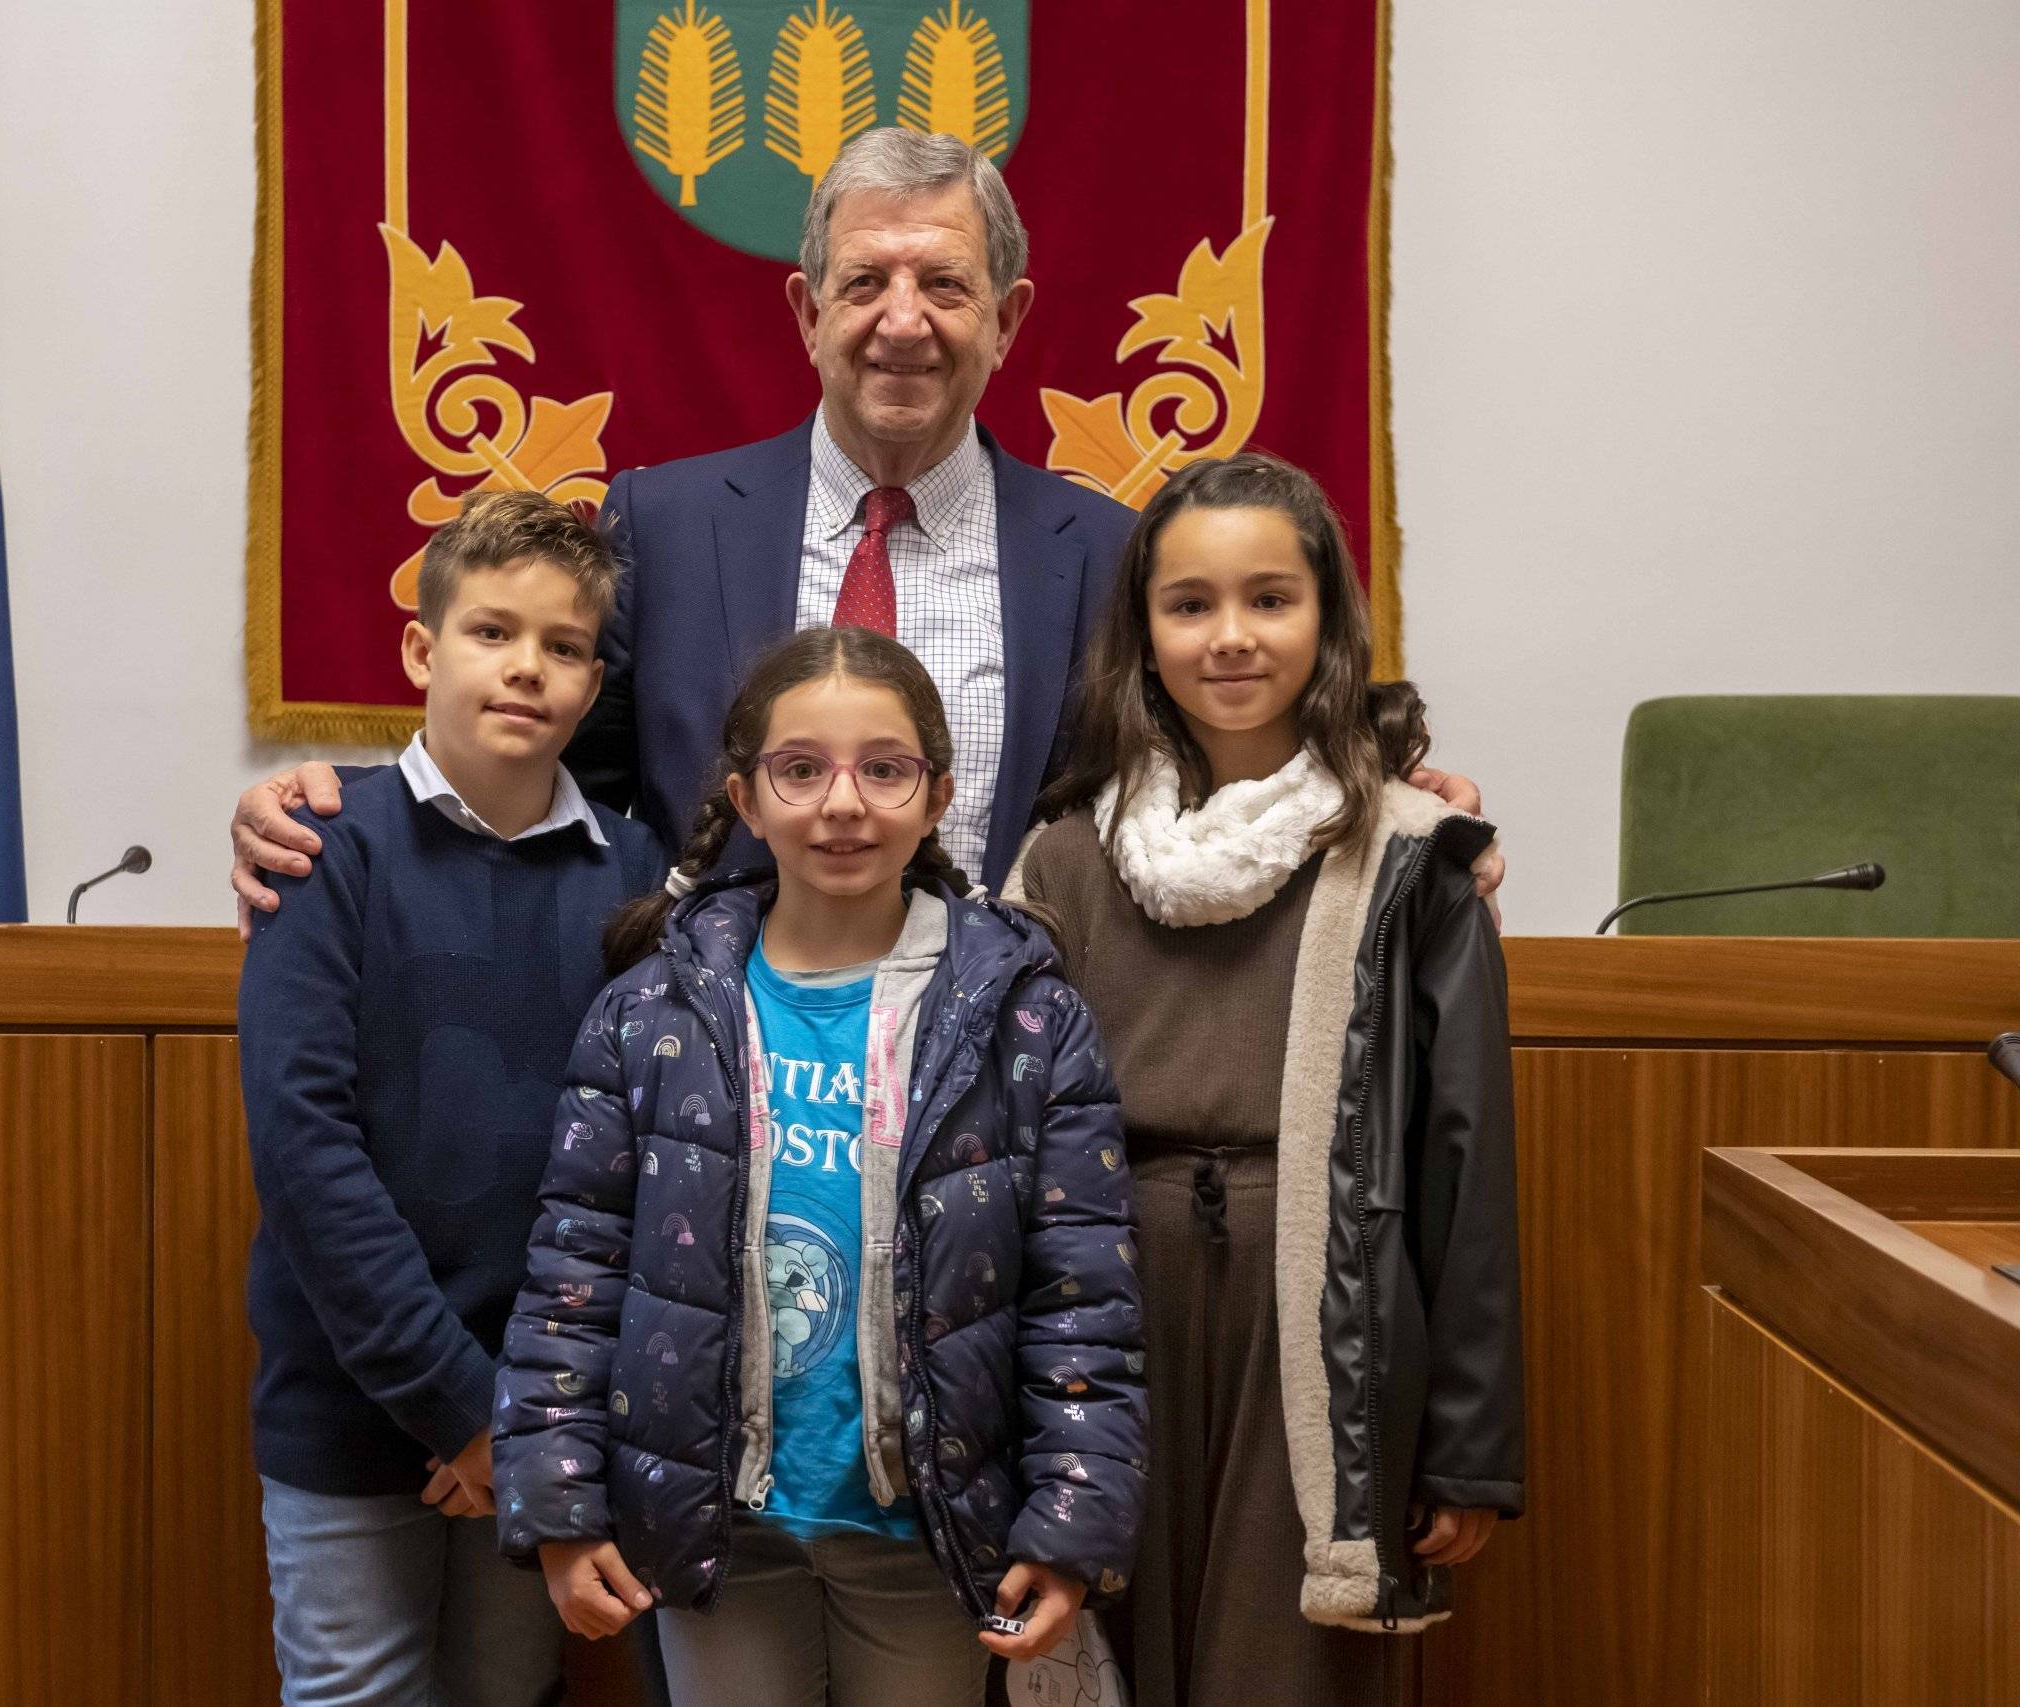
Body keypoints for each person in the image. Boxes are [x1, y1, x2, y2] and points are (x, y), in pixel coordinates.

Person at [225, 129, 1504, 921]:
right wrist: (347, 812)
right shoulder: (660, 526)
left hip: (1009, 1084)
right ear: (805, 312)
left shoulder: (1114, 554)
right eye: (866, 283)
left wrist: (1381, 804)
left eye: (945, 284)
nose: (904, 318)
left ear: (1005, 320)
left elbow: (1211, 777)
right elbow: (547, 787)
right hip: (711, 1082)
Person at [493, 625, 1145, 1707]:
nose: (842, 804)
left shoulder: (1028, 1021)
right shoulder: (651, 1013)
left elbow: (1084, 1303)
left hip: (928, 1529)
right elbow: (573, 1278)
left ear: (936, 796)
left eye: (883, 769)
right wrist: (559, 1504)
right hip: (719, 1527)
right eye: (800, 770)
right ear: (746, 800)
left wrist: (1072, 1522)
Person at [1007, 453, 1523, 1706]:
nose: (1229, 638)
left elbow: (1467, 1163)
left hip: (1312, 1317)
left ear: (1330, 621)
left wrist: (1467, 1447)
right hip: (1103, 1309)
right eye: (1189, 605)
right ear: (1140, 633)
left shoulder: (1414, 860)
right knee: (1098, 1654)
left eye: (1269, 599)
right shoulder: (1064, 863)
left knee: (1277, 1670)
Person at [235, 490, 666, 1706]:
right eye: (492, 633)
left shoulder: (635, 881)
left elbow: (644, 1169)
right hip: (353, 1412)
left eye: (565, 646)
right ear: (424, 649)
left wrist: (522, 1421)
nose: (527, 668)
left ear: (593, 682)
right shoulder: (328, 849)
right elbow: (306, 1150)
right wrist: (456, 1412)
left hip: (547, 1415)